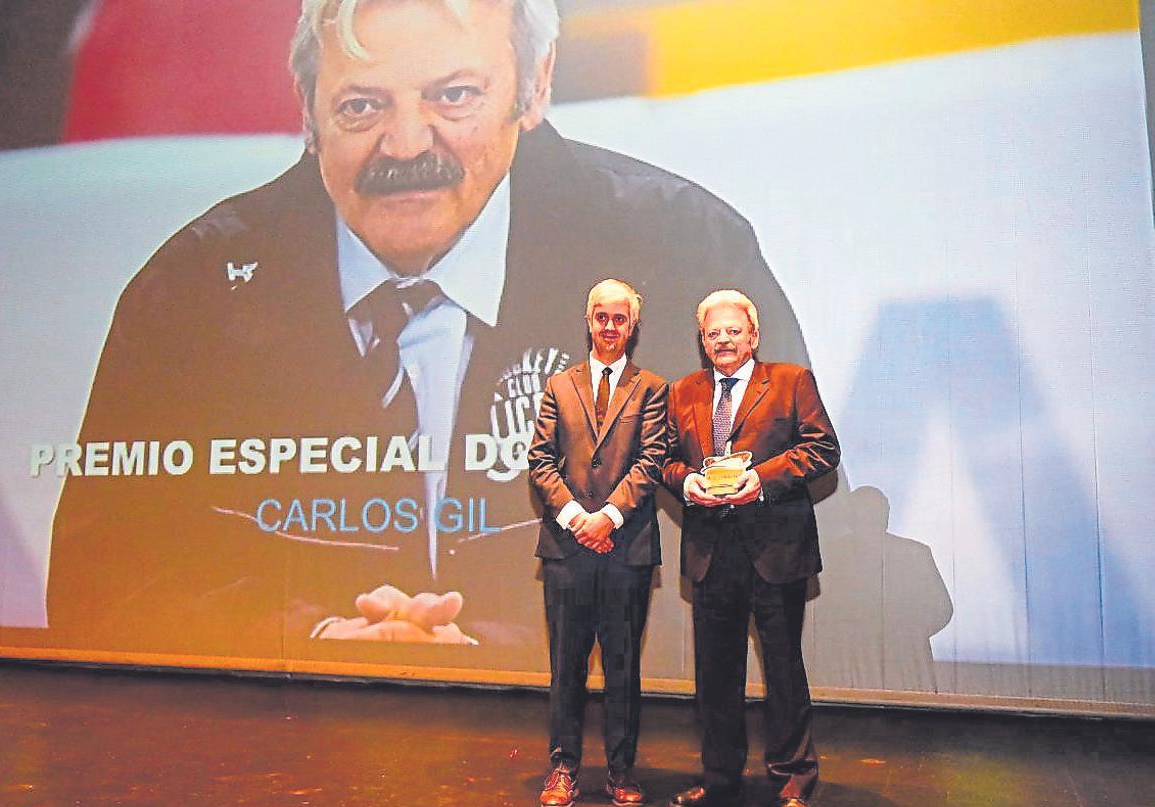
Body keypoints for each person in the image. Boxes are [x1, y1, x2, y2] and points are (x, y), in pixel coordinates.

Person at [45, 0, 810, 663]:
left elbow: (779, 539)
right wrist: (312, 647)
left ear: (535, 84)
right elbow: (101, 581)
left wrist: (506, 658)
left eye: (453, 96)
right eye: (361, 107)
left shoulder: (684, 256)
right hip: (283, 758)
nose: (407, 145)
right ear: (307, 107)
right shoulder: (193, 291)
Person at [662, 290, 839, 807]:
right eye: (713, 333)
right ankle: (721, 781)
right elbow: (666, 460)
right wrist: (687, 482)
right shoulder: (683, 391)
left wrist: (757, 481)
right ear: (702, 339)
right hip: (711, 554)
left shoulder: (791, 381)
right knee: (715, 674)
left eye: (733, 332)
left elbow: (821, 448)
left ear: (753, 336)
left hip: (776, 552)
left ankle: (793, 784)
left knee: (784, 671)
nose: (723, 341)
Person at [527, 279, 667, 807]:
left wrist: (607, 518)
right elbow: (541, 462)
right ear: (588, 321)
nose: (610, 327)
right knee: (566, 665)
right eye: (601, 317)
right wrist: (576, 519)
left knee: (623, 665)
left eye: (620, 319)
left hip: (626, 548)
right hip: (566, 549)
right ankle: (562, 768)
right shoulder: (558, 385)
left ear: (633, 327)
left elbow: (650, 462)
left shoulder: (652, 387)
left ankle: (620, 771)